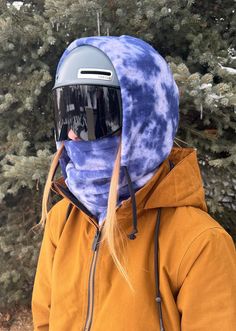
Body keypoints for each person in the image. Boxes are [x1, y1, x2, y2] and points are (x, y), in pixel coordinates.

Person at [31, 35, 236, 331]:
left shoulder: (200, 244)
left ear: (143, 124)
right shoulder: (63, 221)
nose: (73, 136)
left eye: (91, 118)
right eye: (68, 117)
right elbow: (45, 322)